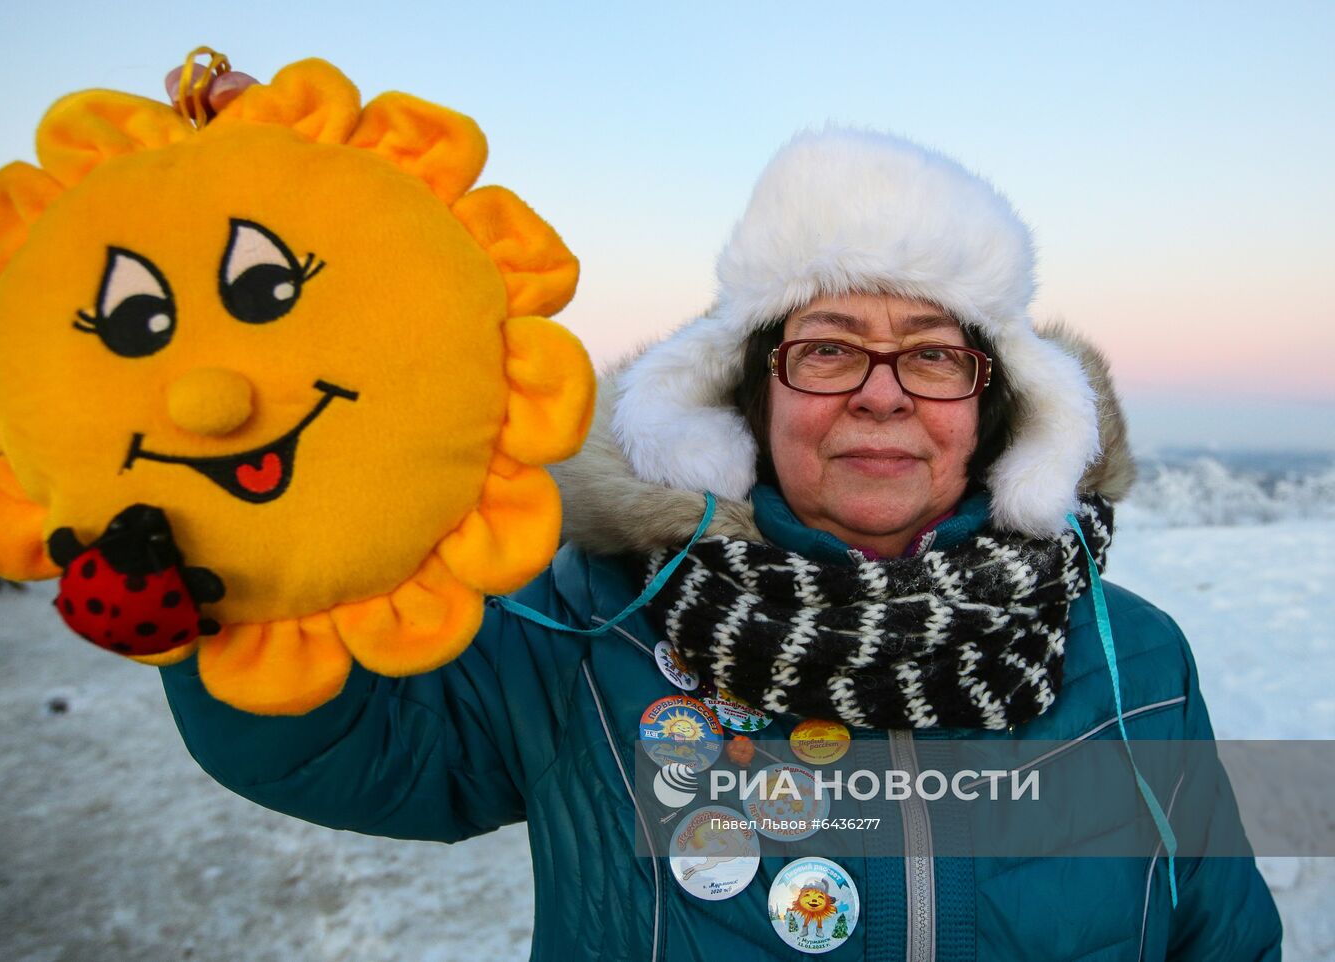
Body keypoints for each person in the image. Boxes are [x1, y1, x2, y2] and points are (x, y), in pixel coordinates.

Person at [158, 71, 1280, 960]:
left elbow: (1216, 931)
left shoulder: (1130, 654)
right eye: (828, 348)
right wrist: (242, 546)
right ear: (750, 396)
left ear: (993, 408)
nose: (880, 393)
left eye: (933, 356)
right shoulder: (590, 623)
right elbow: (340, 745)